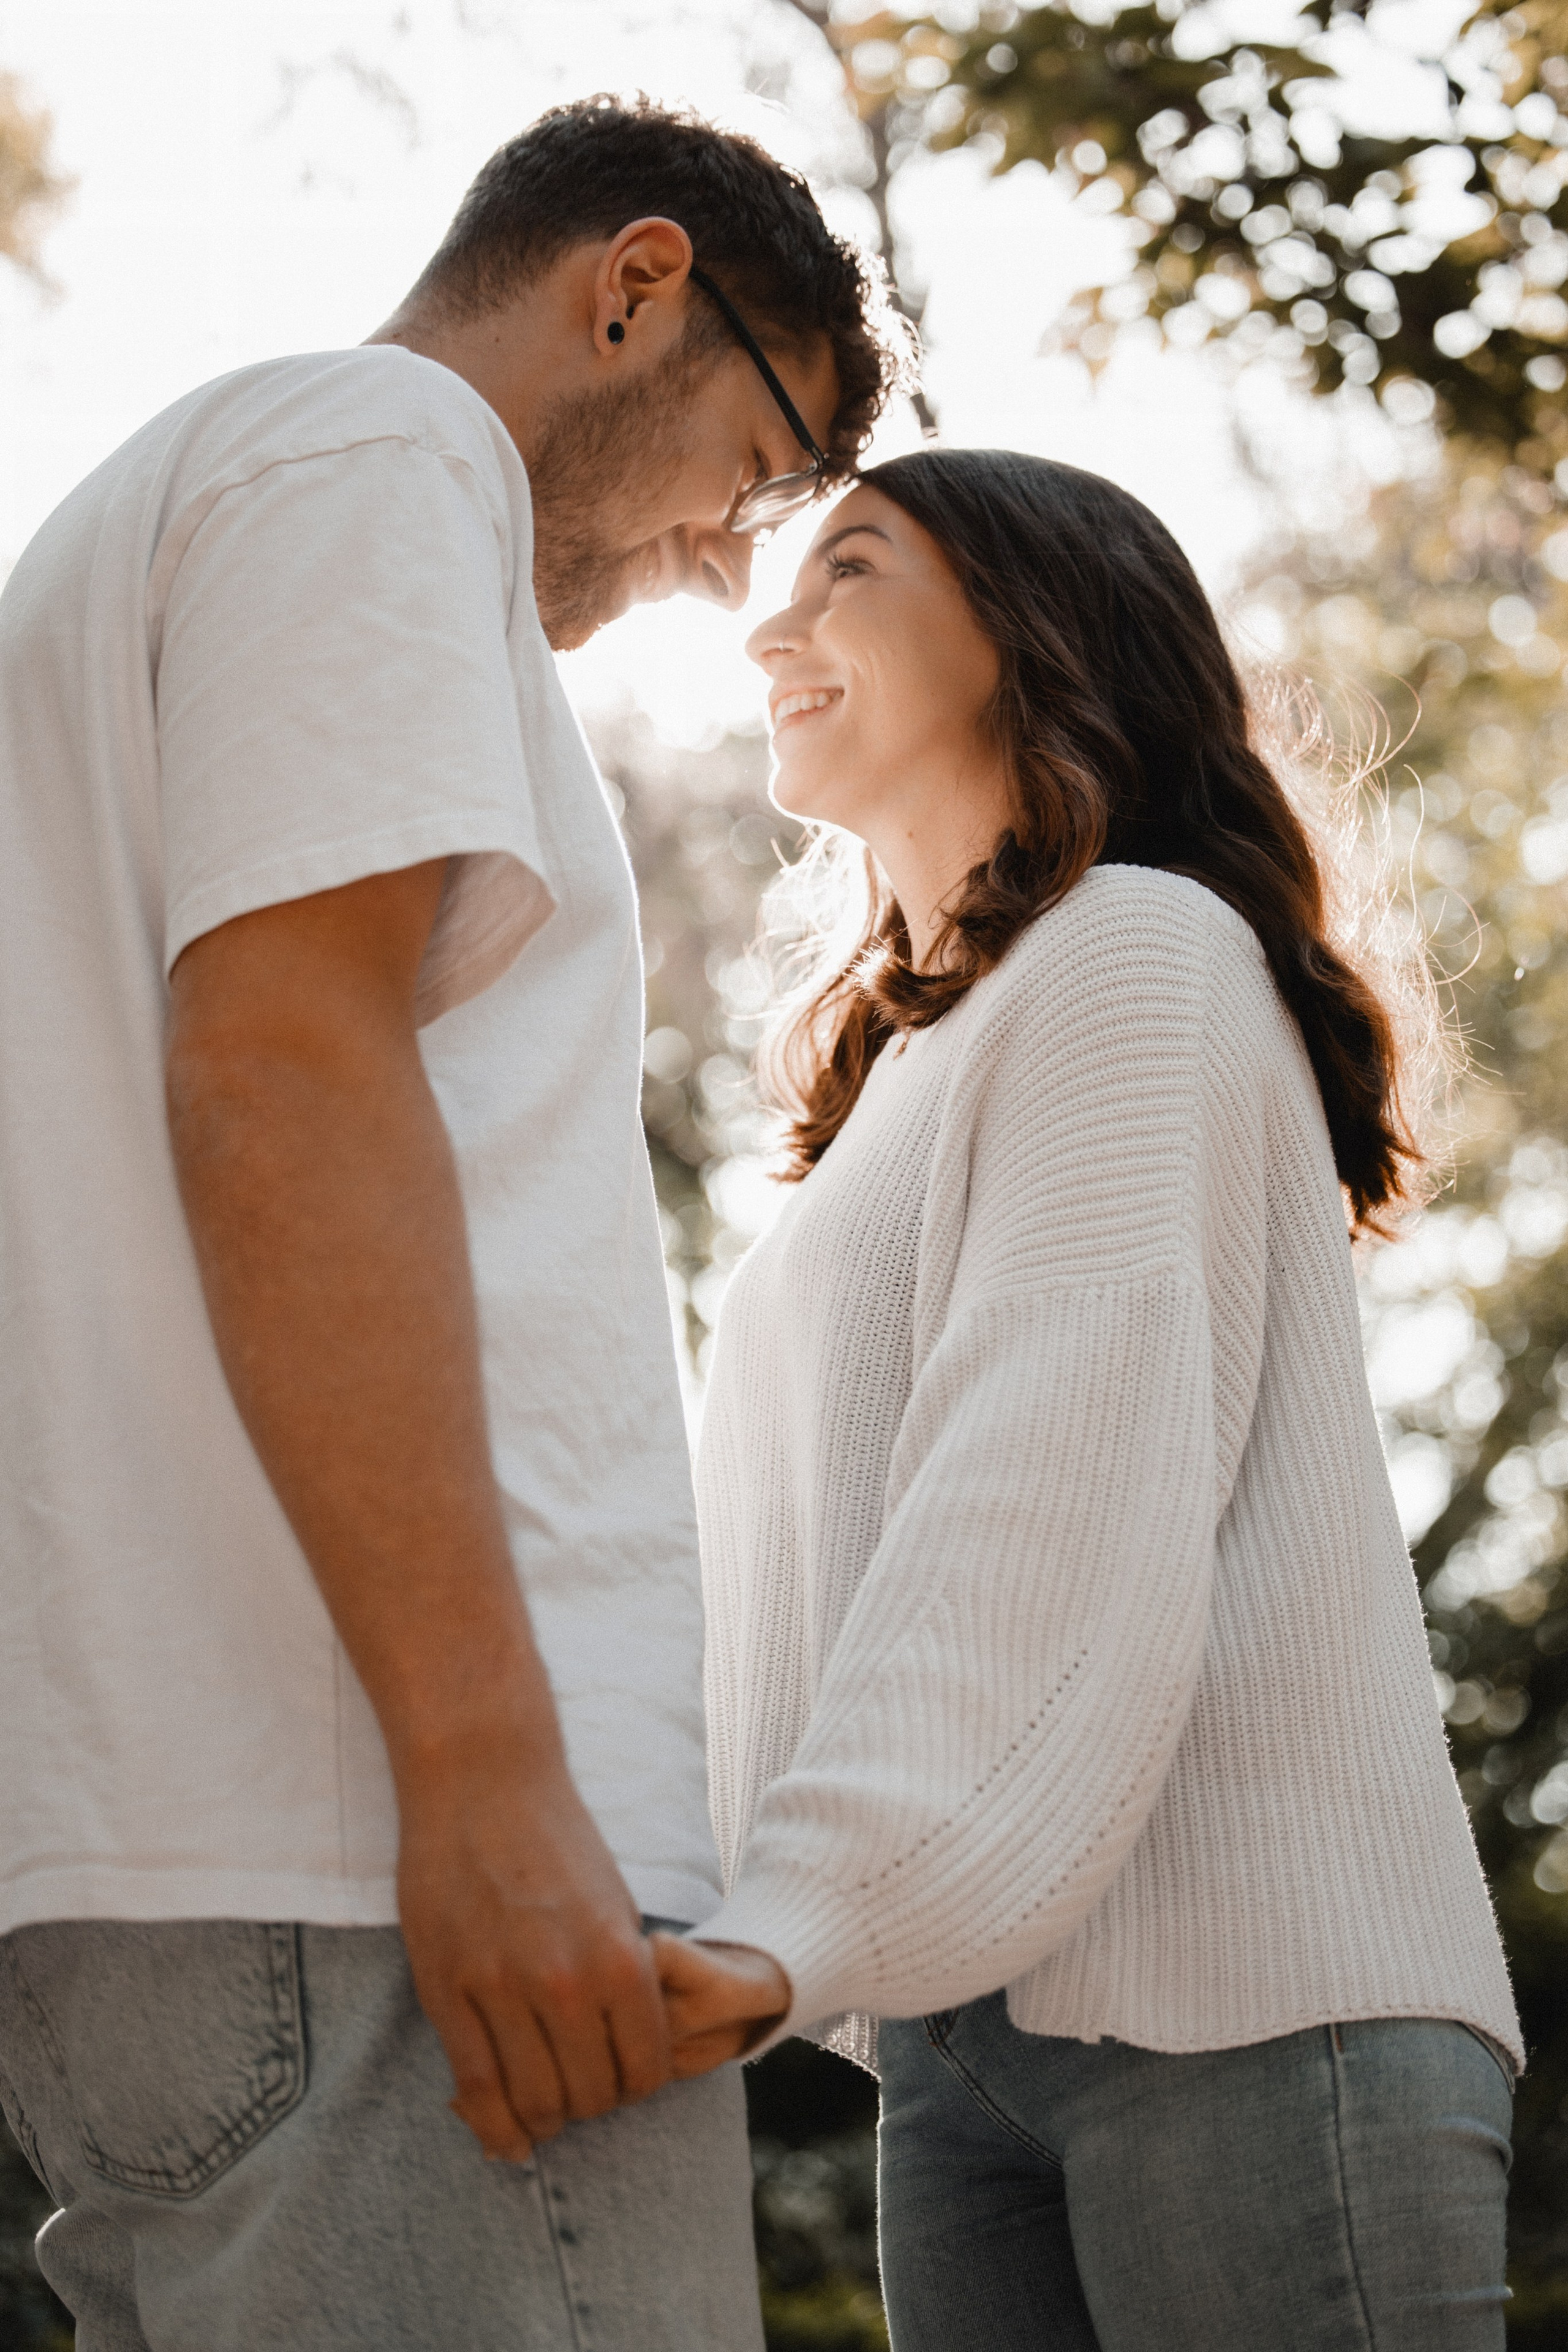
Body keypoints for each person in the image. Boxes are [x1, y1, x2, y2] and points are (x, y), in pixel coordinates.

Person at [0, 94, 899, 2350]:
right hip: (383, 1859)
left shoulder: (142, 531)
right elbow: (287, 1076)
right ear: (637, 289)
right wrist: (490, 1779)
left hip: (167, 1859)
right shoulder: (384, 461)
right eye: (758, 474)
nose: (726, 568)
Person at [662, 451, 1523, 2351]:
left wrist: (781, 1916)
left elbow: (1036, 1480)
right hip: (958, 2028)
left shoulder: (1135, 945)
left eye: (851, 568)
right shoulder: (904, 1082)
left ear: (1034, 626)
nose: (769, 627)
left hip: (1251, 1996)